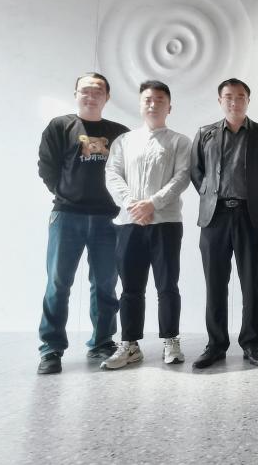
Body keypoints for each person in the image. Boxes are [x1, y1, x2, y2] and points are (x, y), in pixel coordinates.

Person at [36, 73, 130, 375]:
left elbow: (129, 173)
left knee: (105, 284)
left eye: (98, 90)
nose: (91, 95)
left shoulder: (119, 133)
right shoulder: (60, 126)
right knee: (58, 283)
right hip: (67, 216)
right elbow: (46, 167)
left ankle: (102, 342)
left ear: (107, 96)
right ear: (76, 94)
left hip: (108, 218)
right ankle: (51, 348)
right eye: (85, 90)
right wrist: (66, 193)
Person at [102, 80, 192, 370]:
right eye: (148, 100)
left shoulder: (179, 141)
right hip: (129, 224)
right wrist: (133, 204)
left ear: (169, 107)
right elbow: (112, 174)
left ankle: (171, 340)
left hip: (166, 223)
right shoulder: (124, 141)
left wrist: (152, 203)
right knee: (130, 287)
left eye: (159, 100)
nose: (153, 104)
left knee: (167, 285)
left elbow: (182, 177)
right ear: (141, 105)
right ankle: (129, 345)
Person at [189, 78, 258, 369]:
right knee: (215, 283)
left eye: (240, 96)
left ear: (248, 101)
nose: (234, 101)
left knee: (252, 284)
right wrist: (212, 196)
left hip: (249, 216)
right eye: (228, 96)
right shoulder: (205, 134)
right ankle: (216, 345)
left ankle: (251, 344)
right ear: (220, 101)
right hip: (214, 218)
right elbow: (196, 172)